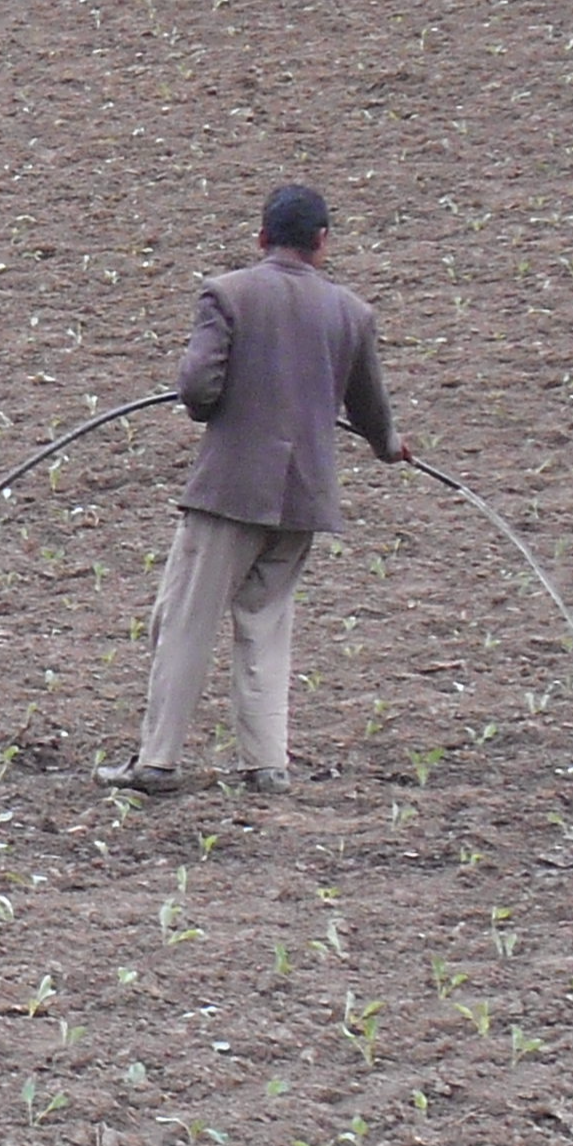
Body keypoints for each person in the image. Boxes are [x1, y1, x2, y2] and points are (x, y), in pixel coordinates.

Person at [132, 181, 405, 794]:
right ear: (323, 242)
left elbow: (198, 390)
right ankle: (267, 764)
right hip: (302, 498)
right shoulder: (352, 313)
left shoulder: (227, 294)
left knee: (185, 621)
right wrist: (390, 445)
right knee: (265, 624)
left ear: (262, 238)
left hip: (230, 492)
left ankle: (157, 760)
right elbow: (371, 413)